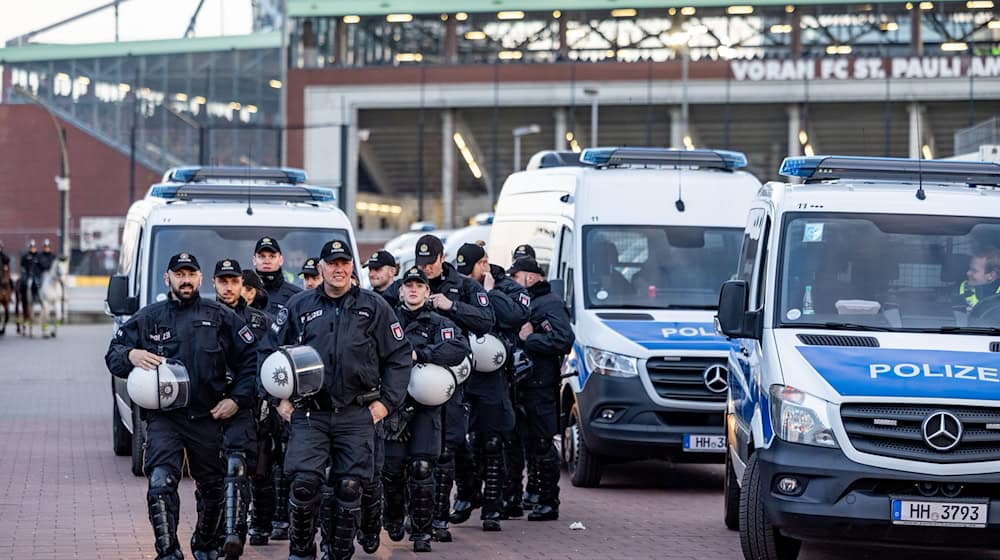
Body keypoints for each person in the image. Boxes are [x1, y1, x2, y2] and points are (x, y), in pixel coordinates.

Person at [105, 252, 258, 560]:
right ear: (168, 278)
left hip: (209, 416)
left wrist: (236, 400)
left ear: (200, 279)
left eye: (191, 274)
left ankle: (205, 544)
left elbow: (251, 361)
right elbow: (114, 353)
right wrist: (131, 356)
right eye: (179, 274)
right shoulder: (150, 316)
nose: (185, 279)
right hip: (166, 419)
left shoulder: (220, 316)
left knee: (214, 488)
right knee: (161, 481)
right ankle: (167, 551)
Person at [270, 239, 412, 560]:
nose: (339, 269)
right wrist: (278, 398)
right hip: (310, 413)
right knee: (304, 485)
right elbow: (270, 353)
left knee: (349, 488)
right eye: (332, 263)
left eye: (344, 263)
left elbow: (400, 357)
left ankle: (339, 552)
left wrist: (386, 403)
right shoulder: (299, 306)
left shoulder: (374, 307)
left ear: (352, 267)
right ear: (320, 267)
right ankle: (302, 551)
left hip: (357, 412)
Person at [414, 234, 495, 542]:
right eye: (421, 265)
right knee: (418, 453)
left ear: (442, 257)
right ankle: (417, 514)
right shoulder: (410, 283)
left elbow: (487, 321)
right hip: (415, 378)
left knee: (447, 447)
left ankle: (439, 518)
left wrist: (452, 307)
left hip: (452, 377)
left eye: (431, 263)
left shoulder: (465, 286)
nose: (426, 270)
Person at [382, 266, 468, 552]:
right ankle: (393, 517)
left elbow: (458, 348)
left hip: (426, 407)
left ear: (428, 291)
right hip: (394, 406)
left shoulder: (438, 322)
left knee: (422, 468)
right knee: (392, 470)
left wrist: (423, 354)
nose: (414, 289)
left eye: (420, 285)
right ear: (401, 289)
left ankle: (421, 532)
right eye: (409, 285)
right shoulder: (387, 320)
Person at [449, 243, 530, 532]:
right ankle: (468, 494)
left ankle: (493, 508)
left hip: (493, 376)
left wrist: (490, 292)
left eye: (474, 269)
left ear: (484, 264)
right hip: (462, 373)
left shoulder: (505, 286)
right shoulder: (454, 286)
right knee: (457, 439)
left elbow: (516, 316)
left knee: (493, 442)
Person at [212, 259, 272, 558]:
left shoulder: (260, 321)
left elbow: (268, 362)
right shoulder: (202, 316)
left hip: (245, 404)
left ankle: (235, 534)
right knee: (210, 474)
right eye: (222, 281)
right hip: (206, 408)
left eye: (233, 281)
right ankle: (211, 534)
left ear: (243, 286)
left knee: (240, 467)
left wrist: (242, 399)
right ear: (213, 283)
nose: (228, 286)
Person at [509, 257, 574, 522]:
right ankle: (533, 495)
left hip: (541, 386)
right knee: (527, 444)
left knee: (543, 444)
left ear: (531, 277)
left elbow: (563, 339)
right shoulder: (529, 302)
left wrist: (530, 338)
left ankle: (548, 501)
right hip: (525, 384)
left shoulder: (550, 303)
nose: (514, 281)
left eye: (517, 276)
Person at [253, 236, 302, 318]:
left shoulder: (296, 296)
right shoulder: (242, 293)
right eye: (262, 256)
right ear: (254, 260)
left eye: (272, 256)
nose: (267, 261)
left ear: (281, 260)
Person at [960, 248, 1000, 313]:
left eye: (974, 271)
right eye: (969, 269)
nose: (968, 273)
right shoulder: (959, 291)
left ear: (991, 275)